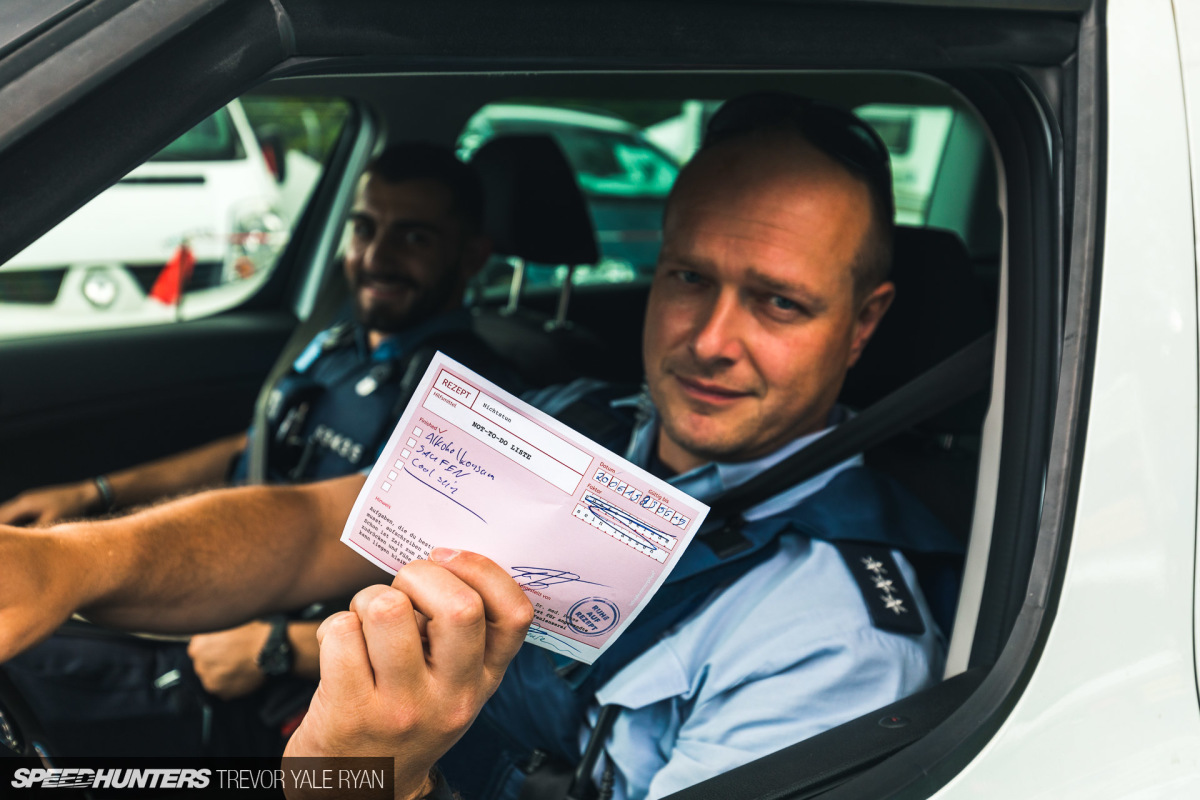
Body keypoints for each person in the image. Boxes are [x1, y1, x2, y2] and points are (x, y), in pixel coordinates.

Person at [0, 94, 960, 800]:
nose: (709, 339)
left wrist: (362, 783)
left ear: (864, 323)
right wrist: (79, 560)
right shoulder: (574, 424)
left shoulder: (834, 636)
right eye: (686, 276)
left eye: (778, 302)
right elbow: (312, 528)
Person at [0, 141, 521, 757]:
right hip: (217, 596)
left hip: (291, 679)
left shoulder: (477, 410)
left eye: (413, 238)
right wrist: (95, 494)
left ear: (471, 257)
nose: (376, 257)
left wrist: (274, 647)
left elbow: (454, 600)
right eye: (364, 228)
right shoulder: (336, 343)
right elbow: (255, 445)